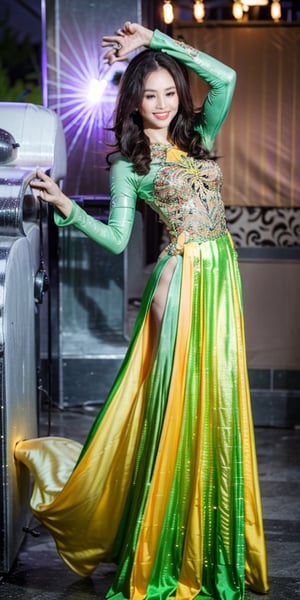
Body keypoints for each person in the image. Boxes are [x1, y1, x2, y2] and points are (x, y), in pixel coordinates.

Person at [15, 21, 269, 600]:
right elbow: (116, 239)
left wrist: (157, 41)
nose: (160, 104)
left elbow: (226, 77)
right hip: (180, 283)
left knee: (215, 403)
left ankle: (206, 542)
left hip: (221, 281)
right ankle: (164, 543)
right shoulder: (129, 163)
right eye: (149, 94)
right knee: (178, 407)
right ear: (133, 100)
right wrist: (67, 207)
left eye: (169, 93)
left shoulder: (200, 133)